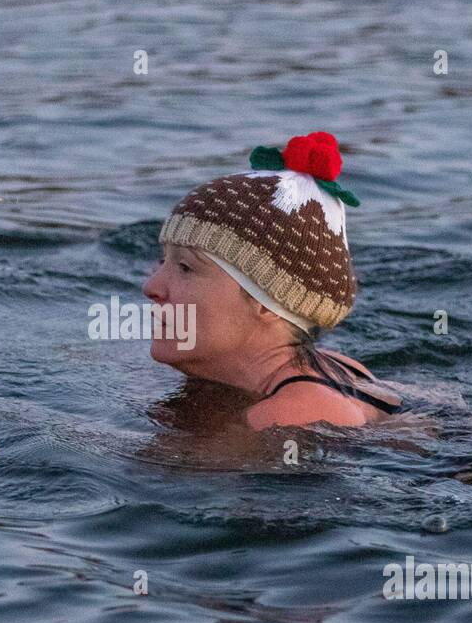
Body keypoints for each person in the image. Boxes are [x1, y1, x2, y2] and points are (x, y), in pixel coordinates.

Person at [143, 131, 403, 431]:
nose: (151, 287)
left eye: (186, 268)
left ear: (267, 302)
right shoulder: (330, 367)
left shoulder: (294, 413)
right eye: (164, 261)